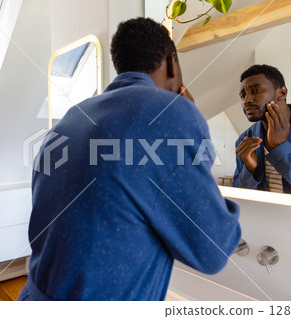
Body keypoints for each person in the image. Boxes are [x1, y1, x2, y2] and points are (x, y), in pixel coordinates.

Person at [18, 18, 241, 301]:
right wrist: (192, 133)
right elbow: (213, 249)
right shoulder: (172, 113)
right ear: (173, 62)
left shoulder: (70, 118)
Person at [232, 64, 291, 193]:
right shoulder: (244, 140)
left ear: (282, 92)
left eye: (255, 91)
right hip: (263, 213)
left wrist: (280, 147)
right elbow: (238, 195)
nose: (246, 101)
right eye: (243, 96)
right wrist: (250, 169)